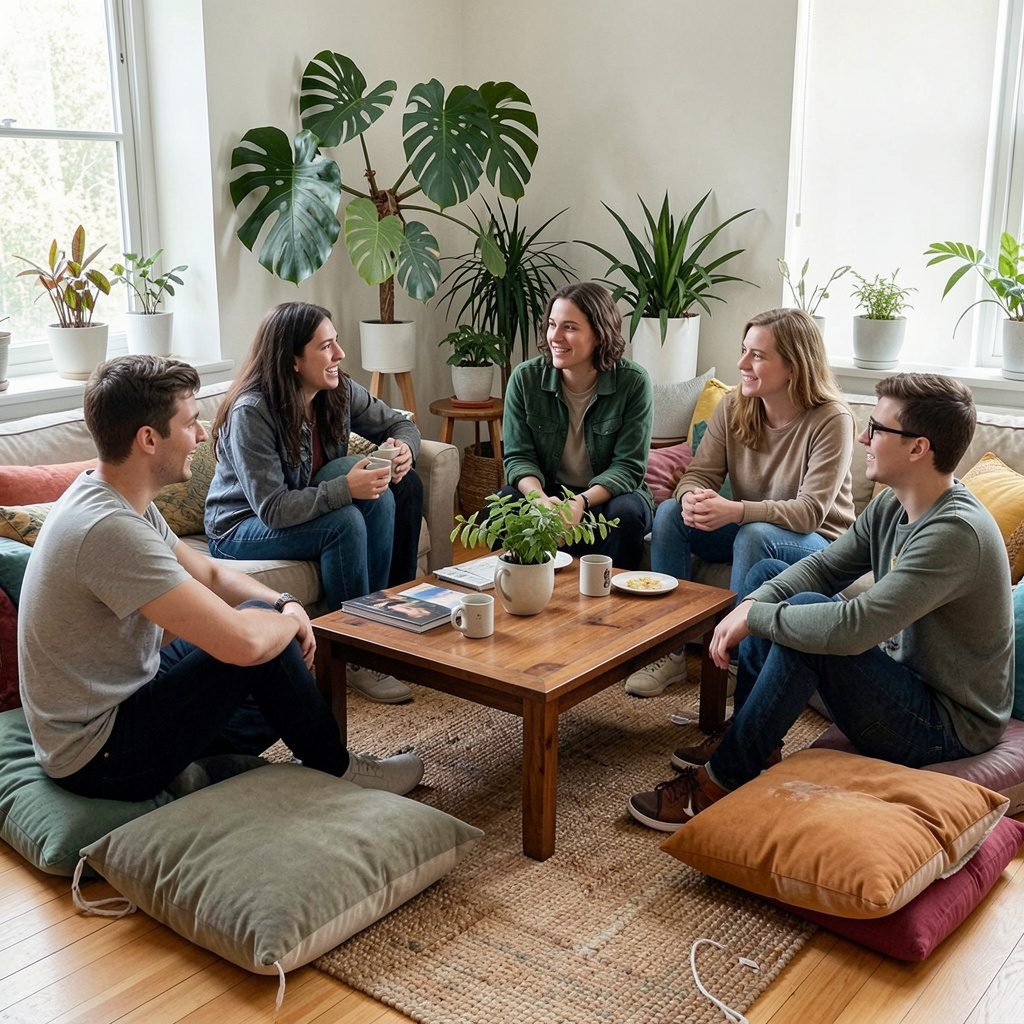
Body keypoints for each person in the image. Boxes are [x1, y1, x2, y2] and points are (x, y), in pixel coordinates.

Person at [17, 355, 423, 803]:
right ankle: (339, 768)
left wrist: (284, 602)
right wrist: (289, 623)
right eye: (191, 423)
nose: (202, 435)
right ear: (148, 439)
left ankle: (202, 768)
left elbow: (209, 571)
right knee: (260, 644)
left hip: (119, 697)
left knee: (266, 638)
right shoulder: (110, 530)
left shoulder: (112, 494)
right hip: (99, 756)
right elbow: (243, 645)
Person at [627, 373, 1014, 831]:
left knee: (809, 627)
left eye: (877, 428)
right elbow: (825, 567)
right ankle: (752, 736)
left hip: (946, 728)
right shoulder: (893, 505)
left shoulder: (955, 533)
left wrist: (760, 619)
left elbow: (856, 626)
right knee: (774, 577)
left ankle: (721, 781)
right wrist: (750, 604)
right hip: (904, 684)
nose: (863, 437)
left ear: (918, 448)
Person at [624, 307, 855, 697]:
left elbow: (810, 512)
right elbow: (699, 474)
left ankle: (734, 663)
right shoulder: (734, 406)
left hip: (819, 543)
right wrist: (692, 498)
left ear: (794, 366)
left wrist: (737, 511)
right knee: (668, 514)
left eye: (758, 356)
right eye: (744, 350)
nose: (742, 363)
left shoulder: (832, 419)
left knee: (752, 534)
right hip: (755, 526)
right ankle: (670, 651)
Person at [204, 301, 422, 704]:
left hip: (294, 506)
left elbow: (400, 422)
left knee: (388, 491)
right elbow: (272, 508)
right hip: (240, 526)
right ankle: (352, 653)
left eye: (335, 343)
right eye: (326, 347)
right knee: (346, 522)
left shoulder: (335, 389)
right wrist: (345, 490)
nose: (339, 355)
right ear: (293, 360)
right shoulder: (252, 411)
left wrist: (405, 448)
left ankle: (382, 627)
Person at [497, 281, 654, 568]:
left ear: (598, 335)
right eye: (552, 324)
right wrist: (540, 501)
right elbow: (518, 458)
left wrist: (579, 503)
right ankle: (518, 595)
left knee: (627, 512)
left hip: (605, 497)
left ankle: (615, 605)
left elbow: (629, 467)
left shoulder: (633, 382)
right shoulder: (525, 379)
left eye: (569, 327)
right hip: (547, 493)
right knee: (505, 502)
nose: (555, 336)